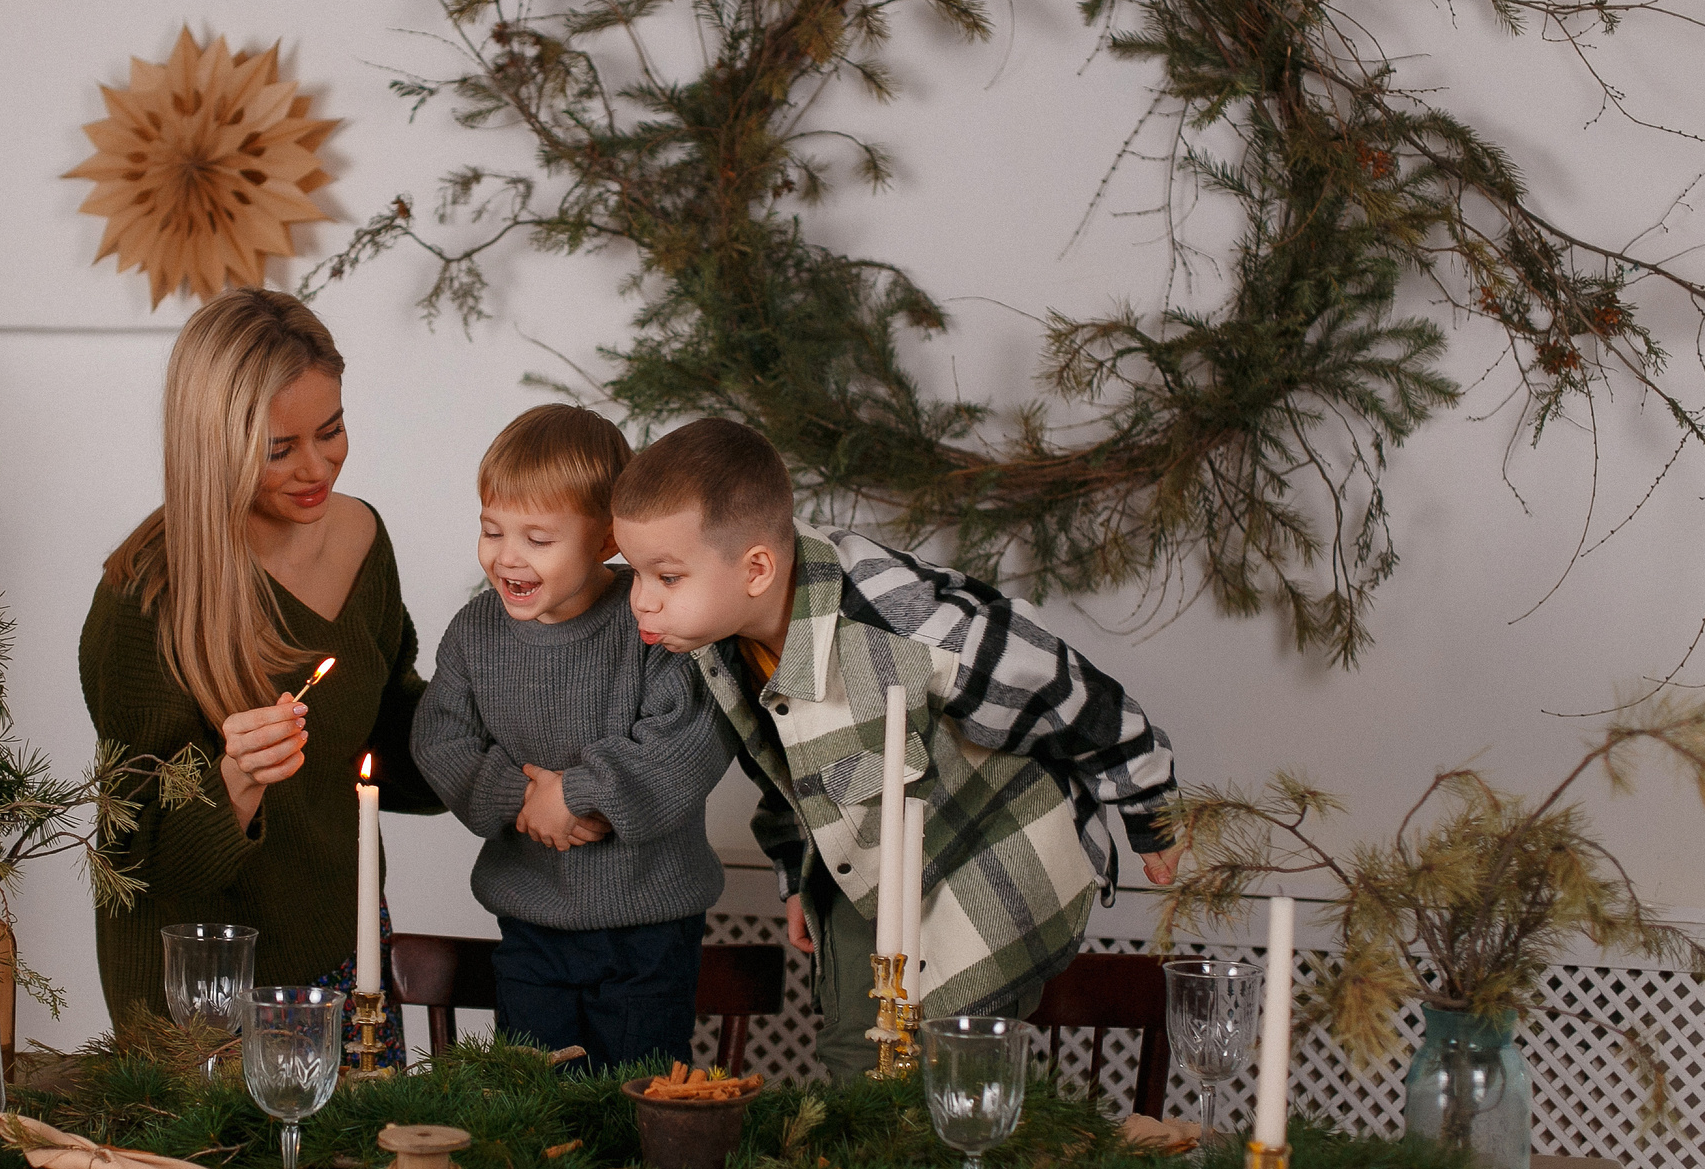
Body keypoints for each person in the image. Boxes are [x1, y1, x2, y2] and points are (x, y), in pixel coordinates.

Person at [609, 418, 1182, 1081]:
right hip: (874, 864)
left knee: (951, 1075)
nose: (640, 601)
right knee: (859, 1057)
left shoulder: (896, 619)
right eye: (636, 573)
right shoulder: (716, 641)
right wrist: (797, 874)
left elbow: (1058, 682)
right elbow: (783, 769)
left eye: (667, 576)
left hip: (991, 854)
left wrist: (1149, 806)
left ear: (757, 567)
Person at [80, 289, 439, 1047]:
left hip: (347, 959)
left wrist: (500, 714)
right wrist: (236, 780)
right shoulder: (144, 602)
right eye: (280, 449)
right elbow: (135, 865)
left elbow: (388, 734)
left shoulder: (363, 540)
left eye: (332, 429)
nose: (318, 467)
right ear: (216, 443)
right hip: (204, 995)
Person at [412, 405, 735, 1070]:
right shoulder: (476, 633)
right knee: (537, 1104)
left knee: (637, 1103)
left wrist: (580, 793)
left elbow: (691, 737)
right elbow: (440, 737)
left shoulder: (650, 617)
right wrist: (524, 798)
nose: (507, 556)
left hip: (650, 926)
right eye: (492, 529)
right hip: (532, 926)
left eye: (537, 537)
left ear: (606, 539)